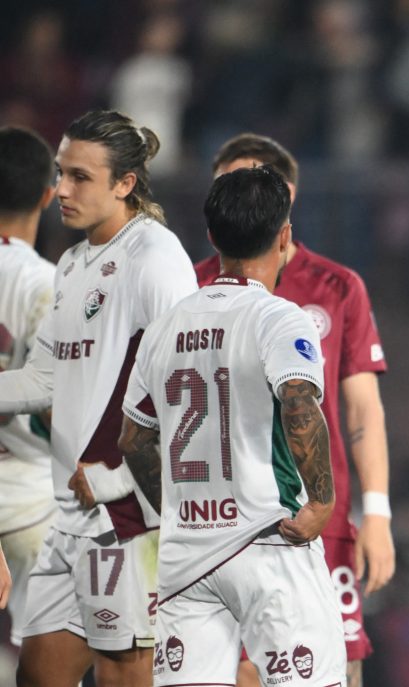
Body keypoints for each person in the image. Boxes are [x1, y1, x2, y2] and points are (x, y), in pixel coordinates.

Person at [107, 165, 346, 685]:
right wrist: (322, 501)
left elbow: (133, 438)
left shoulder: (165, 326)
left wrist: (176, 511)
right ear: (284, 237)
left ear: (212, 236)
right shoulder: (278, 317)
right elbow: (298, 402)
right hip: (268, 541)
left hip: (187, 554)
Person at [0, 110, 197, 687]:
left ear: (124, 183)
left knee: (123, 675)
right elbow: (44, 379)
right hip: (70, 514)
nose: (61, 190)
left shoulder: (154, 258)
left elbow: (187, 387)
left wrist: (117, 476)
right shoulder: (71, 263)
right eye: (60, 174)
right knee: (39, 675)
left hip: (127, 516)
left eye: (80, 177)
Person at [194, 133, 393, 687]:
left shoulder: (337, 285)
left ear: (287, 194)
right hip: (224, 523)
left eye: (253, 181)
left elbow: (362, 411)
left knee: (338, 666)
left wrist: (377, 513)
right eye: (226, 185)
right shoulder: (189, 286)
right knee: (237, 672)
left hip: (318, 517)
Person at [0, 126, 59, 652]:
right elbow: (58, 407)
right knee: (46, 666)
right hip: (32, 501)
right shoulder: (48, 283)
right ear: (47, 195)